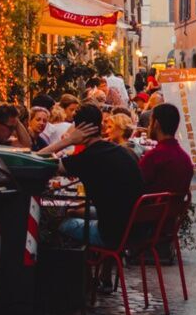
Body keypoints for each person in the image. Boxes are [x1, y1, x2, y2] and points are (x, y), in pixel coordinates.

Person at [37, 106, 145, 288]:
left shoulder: (87, 158)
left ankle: (77, 284)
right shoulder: (119, 151)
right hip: (134, 228)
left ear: (78, 129)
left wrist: (68, 141)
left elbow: (38, 160)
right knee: (74, 212)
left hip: (112, 234)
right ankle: (94, 278)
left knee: (57, 222)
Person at [140, 103, 195, 195]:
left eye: (150, 122)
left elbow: (136, 183)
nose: (148, 127)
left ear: (156, 124)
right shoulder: (185, 158)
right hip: (176, 208)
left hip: (150, 208)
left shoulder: (154, 156)